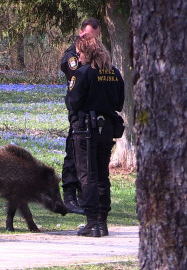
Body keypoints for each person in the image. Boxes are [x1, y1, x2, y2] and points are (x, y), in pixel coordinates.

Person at [66, 34, 124, 237]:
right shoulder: (114, 73)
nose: (78, 57)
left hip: (86, 130)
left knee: (87, 175)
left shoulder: (82, 74)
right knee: (102, 175)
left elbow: (73, 102)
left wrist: (75, 118)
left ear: (87, 53)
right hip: (107, 129)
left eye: (80, 53)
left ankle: (92, 223)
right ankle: (102, 221)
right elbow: (119, 103)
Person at [60, 18, 101, 215]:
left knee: (90, 158)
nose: (93, 41)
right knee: (73, 152)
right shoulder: (72, 55)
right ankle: (69, 195)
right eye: (89, 37)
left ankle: (86, 195)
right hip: (79, 111)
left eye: (96, 37)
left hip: (93, 111)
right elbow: (78, 75)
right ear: (81, 33)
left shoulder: (98, 53)